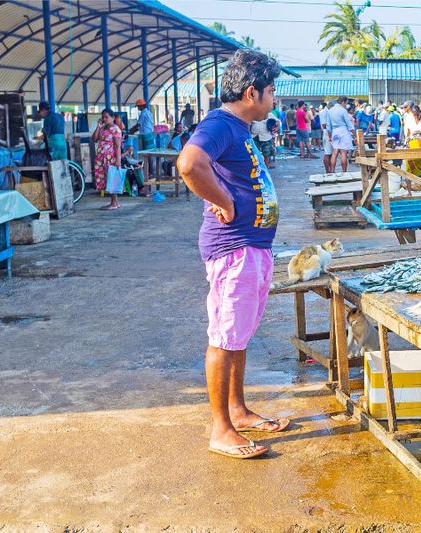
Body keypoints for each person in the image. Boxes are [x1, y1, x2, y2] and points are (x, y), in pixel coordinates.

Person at [176, 49, 288, 460]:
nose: (274, 99)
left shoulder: (239, 127)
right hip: (234, 249)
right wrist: (223, 200)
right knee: (224, 336)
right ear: (250, 92)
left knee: (238, 332)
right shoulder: (220, 124)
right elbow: (189, 164)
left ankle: (237, 411)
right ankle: (221, 428)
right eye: (271, 91)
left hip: (251, 246)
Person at [93, 108, 122, 210]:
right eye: (103, 117)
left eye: (107, 117)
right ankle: (115, 202)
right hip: (101, 158)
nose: (105, 119)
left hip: (110, 158)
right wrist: (98, 126)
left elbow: (118, 146)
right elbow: (94, 139)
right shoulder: (102, 129)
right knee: (106, 179)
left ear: (113, 118)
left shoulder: (115, 129)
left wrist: (118, 161)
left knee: (112, 178)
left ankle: (114, 202)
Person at [326, 95, 355, 173]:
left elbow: (328, 126)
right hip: (343, 131)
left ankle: (332, 171)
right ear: (343, 102)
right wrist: (355, 135)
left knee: (335, 152)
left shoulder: (330, 110)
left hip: (334, 132)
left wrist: (329, 137)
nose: (346, 105)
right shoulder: (343, 110)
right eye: (346, 103)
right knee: (343, 153)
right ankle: (344, 172)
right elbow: (349, 125)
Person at [320, 101, 334, 173]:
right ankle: (328, 171)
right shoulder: (324, 112)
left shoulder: (327, 111)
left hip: (328, 132)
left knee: (330, 153)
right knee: (328, 152)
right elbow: (324, 124)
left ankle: (330, 170)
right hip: (327, 132)